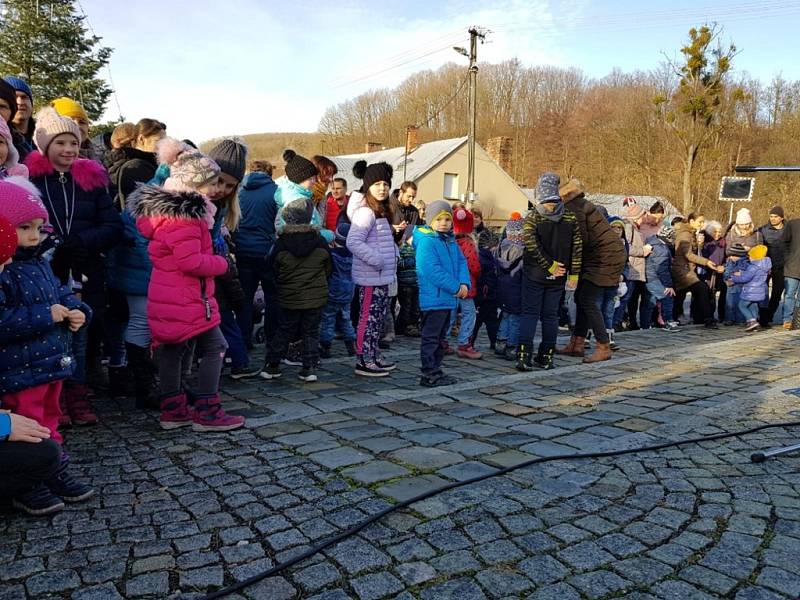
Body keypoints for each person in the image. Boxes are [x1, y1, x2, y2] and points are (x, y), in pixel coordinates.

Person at [131, 139, 244, 432]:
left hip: (170, 295)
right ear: (195, 186)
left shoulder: (167, 215)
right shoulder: (188, 219)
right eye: (212, 183)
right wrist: (221, 264)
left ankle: (173, 411)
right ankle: (207, 409)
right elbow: (190, 261)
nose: (217, 189)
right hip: (188, 297)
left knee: (173, 350)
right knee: (215, 346)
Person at [0, 179, 95, 515]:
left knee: (50, 419)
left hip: (49, 362)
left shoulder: (39, 261)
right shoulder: (5, 269)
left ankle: (52, 468)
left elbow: (61, 292)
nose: (33, 236)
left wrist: (77, 311)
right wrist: (45, 315)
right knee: (28, 426)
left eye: (39, 228)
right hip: (17, 369)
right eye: (24, 227)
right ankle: (28, 481)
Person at [25, 108, 122, 425]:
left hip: (85, 268)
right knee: (50, 334)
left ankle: (77, 395)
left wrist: (83, 240)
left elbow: (112, 225)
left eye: (73, 142)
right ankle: (56, 398)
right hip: (44, 269)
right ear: (45, 145)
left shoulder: (92, 180)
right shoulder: (30, 180)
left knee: (80, 333)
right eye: (60, 143)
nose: (68, 149)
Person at [260, 199, 332, 382]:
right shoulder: (319, 241)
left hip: (289, 296)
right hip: (315, 297)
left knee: (284, 329)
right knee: (311, 332)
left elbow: (271, 268)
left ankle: (272, 365)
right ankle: (309, 368)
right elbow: (329, 267)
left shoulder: (281, 242)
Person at [518, 172, 581, 370]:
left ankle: (524, 356)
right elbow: (577, 247)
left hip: (535, 274)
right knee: (550, 316)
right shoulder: (570, 216)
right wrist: (574, 274)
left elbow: (530, 244)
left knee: (529, 314)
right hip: (559, 276)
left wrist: (548, 264)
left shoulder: (533, 217)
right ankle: (546, 356)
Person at [558, 179, 626, 363]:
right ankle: (577, 343)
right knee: (581, 297)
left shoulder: (574, 208)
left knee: (588, 300)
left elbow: (581, 239)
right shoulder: (581, 204)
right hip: (604, 256)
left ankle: (603, 346)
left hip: (604, 258)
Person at [207, 138, 257, 379]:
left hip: (214, 274)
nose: (222, 189)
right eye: (218, 181)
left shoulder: (224, 208)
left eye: (230, 185)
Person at [346, 162, 398, 376]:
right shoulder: (365, 213)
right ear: (368, 186)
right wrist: (377, 260)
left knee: (376, 320)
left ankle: (373, 354)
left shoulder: (381, 212)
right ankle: (363, 360)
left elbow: (382, 241)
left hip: (382, 277)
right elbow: (353, 241)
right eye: (377, 183)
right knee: (367, 319)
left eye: (385, 183)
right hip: (370, 278)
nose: (382, 188)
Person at [413, 201, 470, 387]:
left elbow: (462, 263)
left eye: (447, 219)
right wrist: (455, 287)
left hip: (448, 300)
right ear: (430, 220)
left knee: (440, 338)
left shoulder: (450, 241)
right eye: (439, 219)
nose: (444, 223)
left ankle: (436, 369)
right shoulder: (428, 242)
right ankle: (429, 372)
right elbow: (431, 271)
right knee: (431, 338)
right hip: (434, 299)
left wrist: (464, 283)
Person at [234, 160, 279, 348]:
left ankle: (243, 341)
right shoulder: (276, 191)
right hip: (267, 251)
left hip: (242, 250)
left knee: (244, 298)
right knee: (272, 297)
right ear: (269, 173)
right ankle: (272, 339)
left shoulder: (238, 191)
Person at [672, 212, 723, 327]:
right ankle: (707, 319)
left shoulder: (690, 233)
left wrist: (699, 245)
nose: (702, 224)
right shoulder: (685, 235)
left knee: (680, 296)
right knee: (702, 289)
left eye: (703, 222)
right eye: (700, 221)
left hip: (686, 270)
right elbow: (688, 255)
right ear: (691, 221)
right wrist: (706, 262)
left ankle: (675, 318)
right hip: (683, 271)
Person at [320, 223, 356, 358]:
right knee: (346, 319)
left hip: (332, 292)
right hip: (348, 292)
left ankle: (325, 346)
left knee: (328, 319)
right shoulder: (354, 255)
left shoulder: (332, 255)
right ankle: (351, 346)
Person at [452, 208, 483, 359]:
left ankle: (442, 342)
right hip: (467, 285)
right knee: (469, 314)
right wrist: (478, 275)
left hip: (451, 285)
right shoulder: (468, 243)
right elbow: (474, 265)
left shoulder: (450, 241)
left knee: (450, 314)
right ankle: (464, 343)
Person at [495, 215, 524, 360]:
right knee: (515, 318)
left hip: (502, 288)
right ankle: (512, 346)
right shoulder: (523, 251)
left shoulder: (501, 247)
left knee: (505, 315)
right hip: (516, 289)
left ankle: (500, 343)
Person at [622, 200, 652, 330]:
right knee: (625, 298)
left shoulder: (635, 228)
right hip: (631, 268)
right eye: (642, 216)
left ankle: (631, 322)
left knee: (631, 298)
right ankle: (618, 323)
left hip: (635, 270)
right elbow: (625, 246)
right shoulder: (629, 227)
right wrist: (643, 251)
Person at [643, 226, 679, 331]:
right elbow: (662, 270)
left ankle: (645, 326)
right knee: (668, 296)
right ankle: (668, 322)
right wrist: (668, 285)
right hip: (654, 278)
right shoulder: (661, 249)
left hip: (648, 277)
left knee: (649, 303)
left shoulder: (652, 242)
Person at [471, 229, 500, 350]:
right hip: (485, 296)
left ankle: (471, 342)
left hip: (484, 296)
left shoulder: (482, 256)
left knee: (481, 322)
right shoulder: (487, 259)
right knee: (486, 322)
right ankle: (472, 342)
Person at [732, 244, 771, 332]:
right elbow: (752, 275)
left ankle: (752, 321)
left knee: (742, 305)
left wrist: (734, 278)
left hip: (751, 291)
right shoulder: (764, 266)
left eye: (750, 256)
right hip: (760, 291)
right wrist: (742, 273)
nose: (749, 258)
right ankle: (755, 324)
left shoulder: (753, 267)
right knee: (752, 306)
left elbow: (745, 278)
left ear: (755, 257)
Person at [758, 206, 786, 327]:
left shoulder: (788, 229)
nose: (773, 219)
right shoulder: (763, 230)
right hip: (766, 266)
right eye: (771, 216)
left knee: (777, 293)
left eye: (776, 217)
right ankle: (763, 317)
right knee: (762, 292)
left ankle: (769, 316)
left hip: (782, 266)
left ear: (782, 218)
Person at [50, 97, 99, 162]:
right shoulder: (48, 160)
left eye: (82, 122)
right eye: (69, 120)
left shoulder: (99, 156)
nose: (77, 125)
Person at [3, 76, 35, 160]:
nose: (20, 102)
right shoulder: (3, 139)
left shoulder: (44, 137)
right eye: (15, 97)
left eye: (24, 97)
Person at [701, 220, 727, 322]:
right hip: (708, 272)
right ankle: (708, 316)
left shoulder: (723, 242)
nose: (717, 234)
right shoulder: (706, 243)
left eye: (719, 231)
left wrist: (723, 266)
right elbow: (703, 256)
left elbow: (726, 257)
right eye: (714, 232)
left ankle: (722, 315)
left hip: (720, 271)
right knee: (709, 295)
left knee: (722, 295)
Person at [781, 216, 800, 329]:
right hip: (792, 266)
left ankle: (797, 320)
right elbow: (784, 242)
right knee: (789, 294)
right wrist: (787, 258)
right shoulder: (793, 224)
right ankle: (787, 319)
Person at [723, 243, 749, 325]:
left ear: (739, 255)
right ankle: (729, 319)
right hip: (730, 287)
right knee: (729, 304)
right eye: (730, 255)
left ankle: (740, 320)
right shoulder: (729, 262)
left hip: (740, 287)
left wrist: (734, 278)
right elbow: (726, 272)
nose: (731, 257)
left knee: (739, 304)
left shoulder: (744, 263)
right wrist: (726, 279)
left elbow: (743, 274)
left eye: (733, 255)